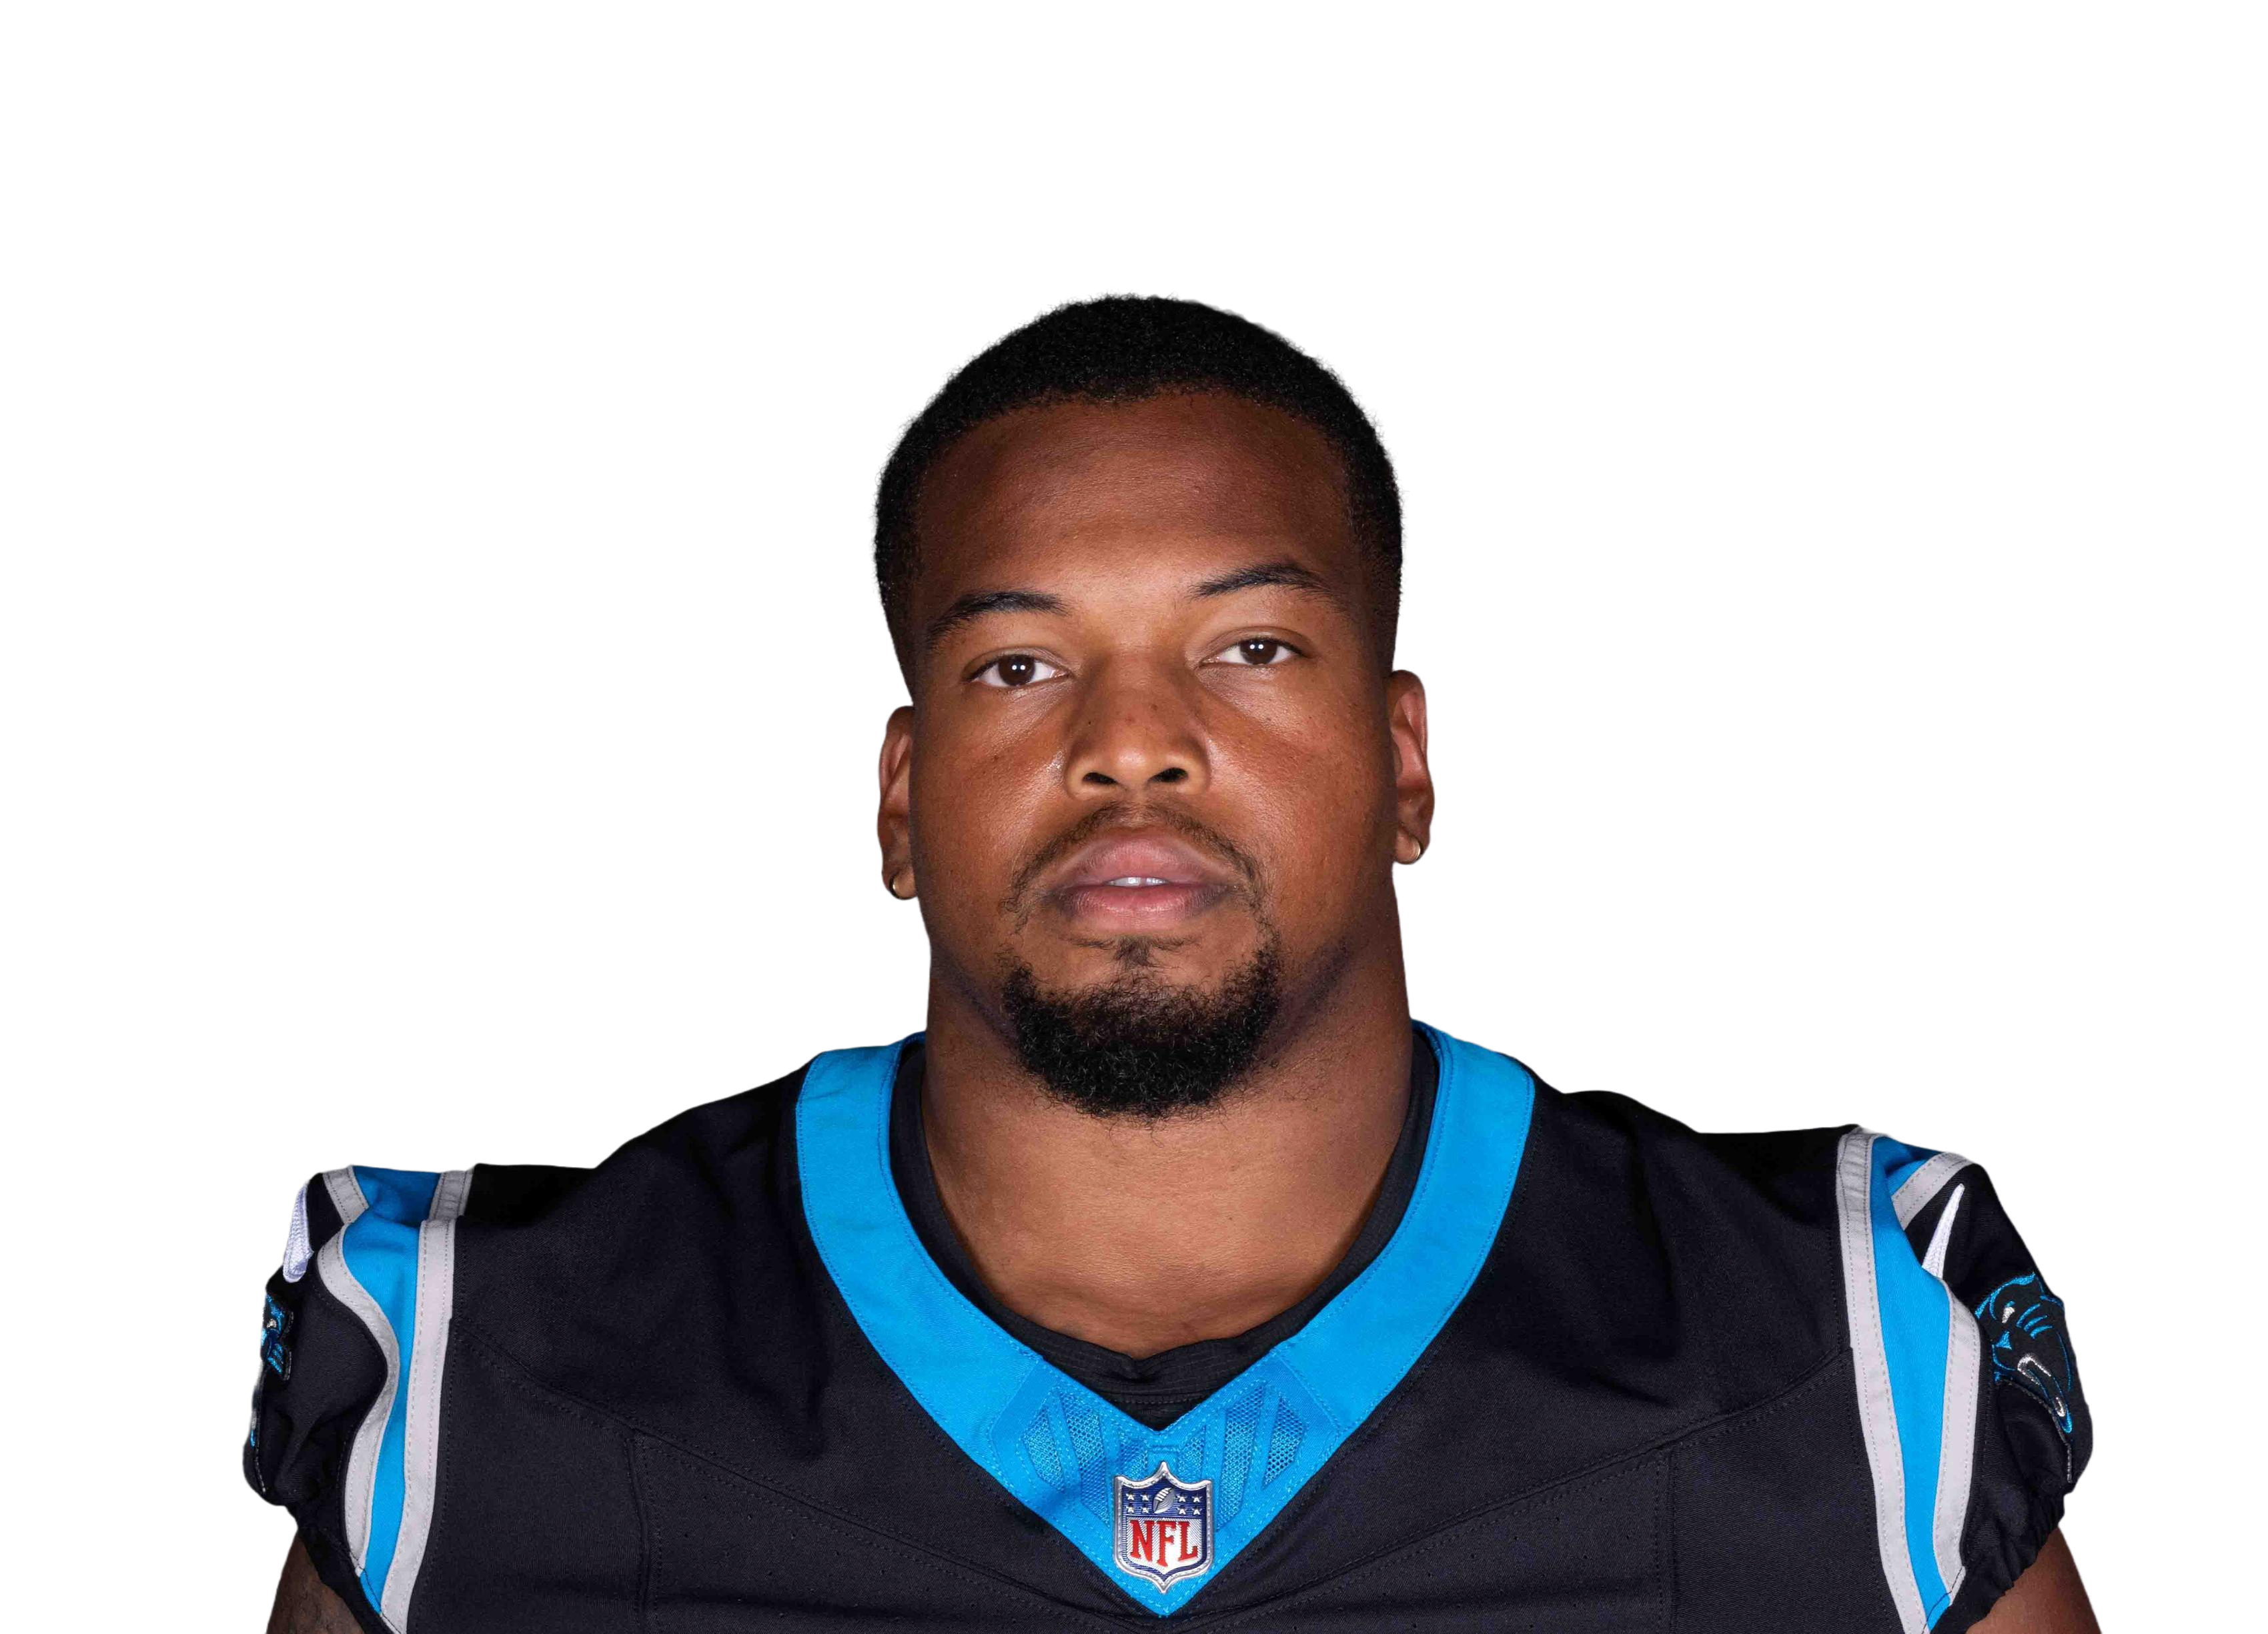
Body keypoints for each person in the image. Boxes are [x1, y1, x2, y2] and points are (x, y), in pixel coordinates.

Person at [249, 288, 2095, 1633]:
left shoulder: (1834, 1358)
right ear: (900, 798)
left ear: (1404, 761)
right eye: (1019, 665)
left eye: (1253, 650)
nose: (1133, 744)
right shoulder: (494, 1375)